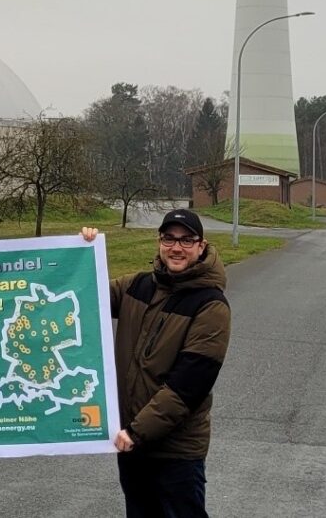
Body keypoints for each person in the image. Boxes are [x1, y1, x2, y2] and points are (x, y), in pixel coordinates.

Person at [82, 209, 230, 518]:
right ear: (159, 241)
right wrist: (82, 252)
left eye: (186, 240)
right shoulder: (137, 286)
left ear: (201, 246)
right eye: (169, 238)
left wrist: (136, 432)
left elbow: (187, 387)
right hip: (133, 445)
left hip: (175, 452)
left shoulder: (211, 305)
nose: (176, 247)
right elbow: (83, 293)